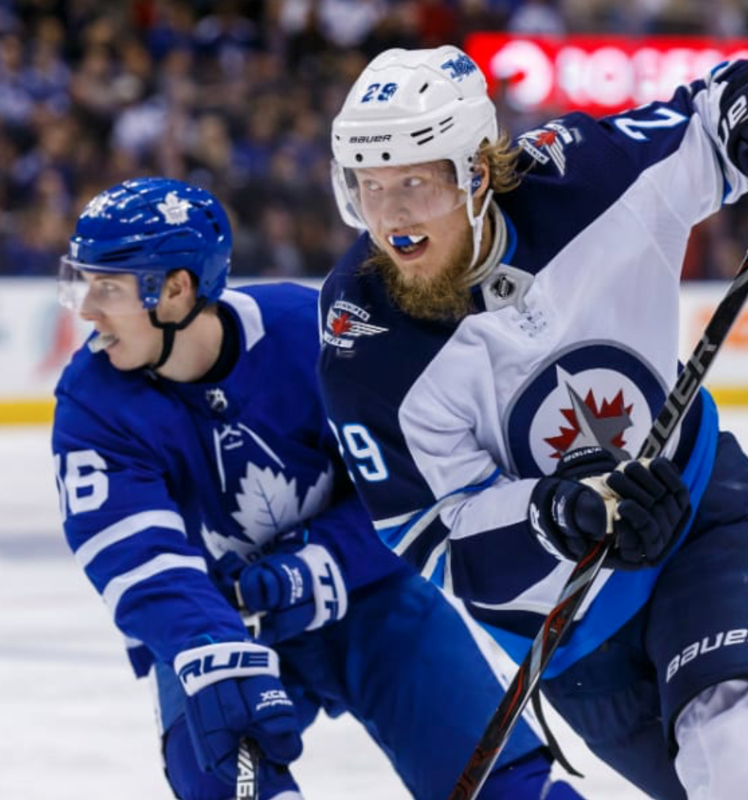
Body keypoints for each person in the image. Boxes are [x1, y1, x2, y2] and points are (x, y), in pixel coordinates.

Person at [318, 45, 748, 799]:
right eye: (369, 188)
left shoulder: (589, 179)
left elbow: (723, 107)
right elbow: (429, 533)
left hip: (704, 518)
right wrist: (558, 514)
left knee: (746, 763)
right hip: (571, 631)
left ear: (475, 171)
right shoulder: (364, 337)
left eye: (414, 182)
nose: (390, 218)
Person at [50, 177, 586, 800]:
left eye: (107, 288)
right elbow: (136, 556)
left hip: (371, 597)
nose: (87, 309)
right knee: (222, 786)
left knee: (508, 790)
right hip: (217, 618)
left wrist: (322, 563)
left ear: (175, 289)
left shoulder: (310, 338)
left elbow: (406, 489)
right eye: (82, 283)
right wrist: (209, 647)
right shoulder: (93, 402)